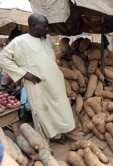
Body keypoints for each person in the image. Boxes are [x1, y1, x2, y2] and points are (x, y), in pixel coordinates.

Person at [0, 13, 75, 143]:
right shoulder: (20, 41)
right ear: (33, 26)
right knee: (42, 112)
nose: (47, 29)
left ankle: (58, 135)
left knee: (60, 108)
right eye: (44, 26)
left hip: (54, 82)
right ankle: (46, 139)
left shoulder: (46, 40)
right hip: (37, 84)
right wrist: (23, 73)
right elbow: (3, 58)